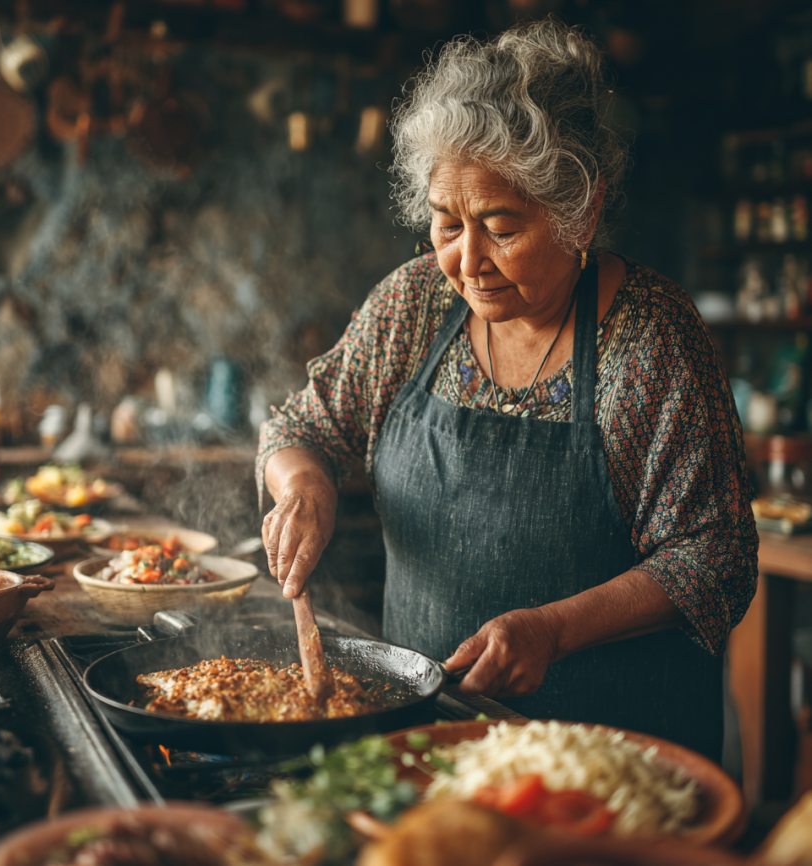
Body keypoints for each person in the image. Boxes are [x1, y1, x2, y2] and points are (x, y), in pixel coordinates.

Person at [257, 19, 757, 762]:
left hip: (607, 762)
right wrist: (304, 485)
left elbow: (713, 555)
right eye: (445, 223)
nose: (467, 260)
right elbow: (302, 425)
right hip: (428, 744)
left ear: (580, 211)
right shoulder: (413, 304)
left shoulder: (651, 337)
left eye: (499, 226)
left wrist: (554, 630)